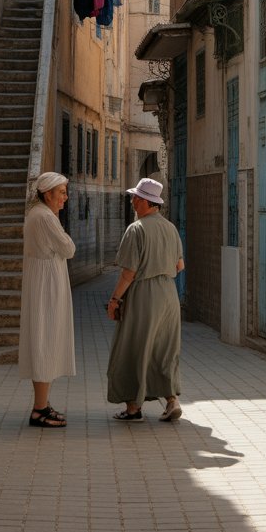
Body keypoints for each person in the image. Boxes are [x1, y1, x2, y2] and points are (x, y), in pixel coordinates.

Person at [106, 178, 184, 422]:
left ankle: (133, 408)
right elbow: (179, 265)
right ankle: (171, 401)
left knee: (133, 348)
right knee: (164, 350)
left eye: (135, 198)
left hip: (144, 295)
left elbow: (128, 273)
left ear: (143, 202)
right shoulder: (170, 228)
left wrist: (114, 300)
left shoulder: (136, 229)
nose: (132, 202)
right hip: (169, 295)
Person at [19, 172, 76, 428]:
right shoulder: (45, 217)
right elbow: (69, 248)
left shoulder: (37, 214)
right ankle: (39, 409)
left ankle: (41, 404)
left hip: (42, 279)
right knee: (45, 340)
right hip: (47, 285)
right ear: (48, 193)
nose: (65, 198)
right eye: (62, 192)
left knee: (43, 340)